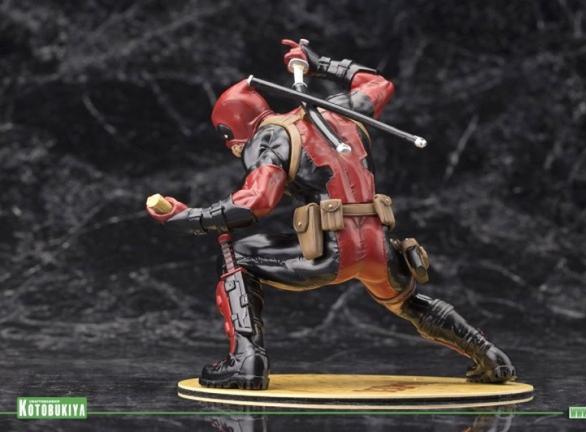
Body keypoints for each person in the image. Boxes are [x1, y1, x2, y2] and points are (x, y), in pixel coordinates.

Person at [147, 39, 516, 390]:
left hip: (332, 252)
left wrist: (187, 217)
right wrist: (320, 63)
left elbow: (253, 203)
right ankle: (489, 355)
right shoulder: (338, 111)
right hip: (379, 247)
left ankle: (246, 360)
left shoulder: (269, 138)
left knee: (237, 256)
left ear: (233, 130)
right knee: (409, 302)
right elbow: (378, 84)